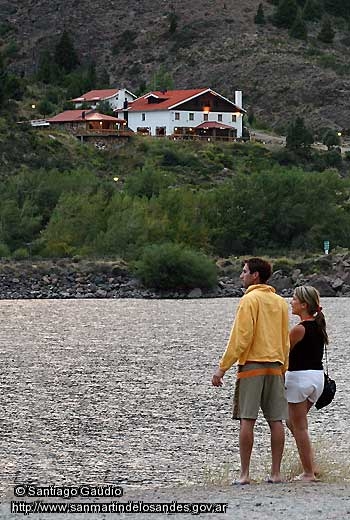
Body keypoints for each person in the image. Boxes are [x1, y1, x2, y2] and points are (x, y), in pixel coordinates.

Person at [212, 258, 290, 485]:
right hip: (275, 366)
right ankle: (276, 474)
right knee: (276, 420)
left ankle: (244, 474)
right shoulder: (280, 302)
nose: (241, 275)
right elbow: (285, 340)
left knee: (247, 419)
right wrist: (284, 367)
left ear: (255, 275)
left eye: (244, 271)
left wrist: (222, 368)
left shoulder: (249, 300)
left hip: (252, 366)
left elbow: (241, 338)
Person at [285, 285, 327, 482]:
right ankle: (313, 465)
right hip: (317, 379)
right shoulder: (319, 327)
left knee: (299, 426)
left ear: (303, 305)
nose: (291, 302)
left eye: (294, 299)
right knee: (292, 422)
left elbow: (284, 356)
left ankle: (308, 473)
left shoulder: (298, 329)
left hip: (299, 379)